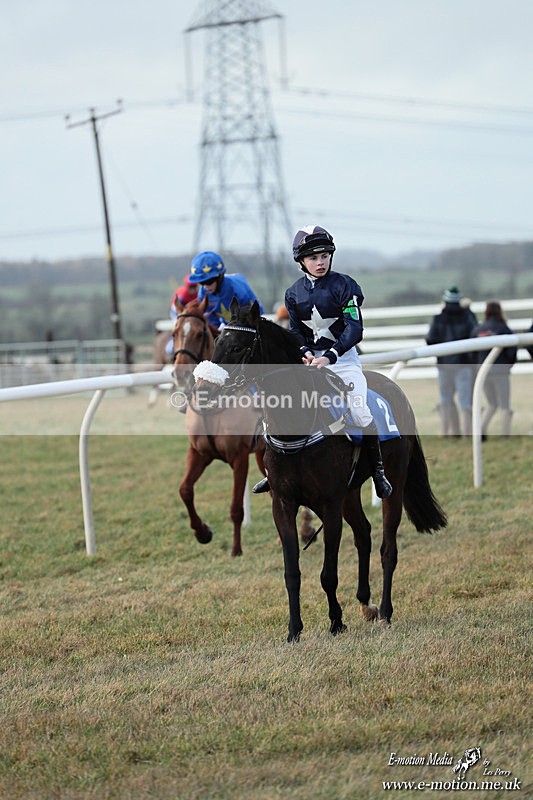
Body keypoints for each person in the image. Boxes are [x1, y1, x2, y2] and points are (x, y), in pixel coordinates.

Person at [253, 225, 393, 499]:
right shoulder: (293, 294)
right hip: (308, 363)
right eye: (313, 258)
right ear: (301, 261)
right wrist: (303, 351)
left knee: (361, 412)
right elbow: (295, 331)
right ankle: (273, 472)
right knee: (278, 408)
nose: (320, 262)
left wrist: (331, 355)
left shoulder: (345, 285)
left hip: (343, 362)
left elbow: (355, 328)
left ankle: (378, 470)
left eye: (325, 256)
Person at [426, 286, 477, 436]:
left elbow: (430, 340)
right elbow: (474, 335)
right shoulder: (466, 316)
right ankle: (469, 434)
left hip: (444, 365)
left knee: (445, 400)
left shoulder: (438, 319)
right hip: (463, 364)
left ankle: (446, 432)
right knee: (465, 402)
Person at [187, 250, 264, 331]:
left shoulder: (236, 289)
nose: (206, 286)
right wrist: (218, 329)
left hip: (252, 319)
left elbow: (250, 314)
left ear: (220, 277)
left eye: (209, 281)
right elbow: (209, 316)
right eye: (202, 282)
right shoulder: (203, 294)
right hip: (227, 323)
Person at [473, 301, 517, 438]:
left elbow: (472, 353)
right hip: (500, 372)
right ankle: (505, 435)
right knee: (504, 404)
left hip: (483, 372)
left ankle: (480, 430)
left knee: (491, 403)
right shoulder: (503, 328)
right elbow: (512, 351)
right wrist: (508, 365)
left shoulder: (478, 330)